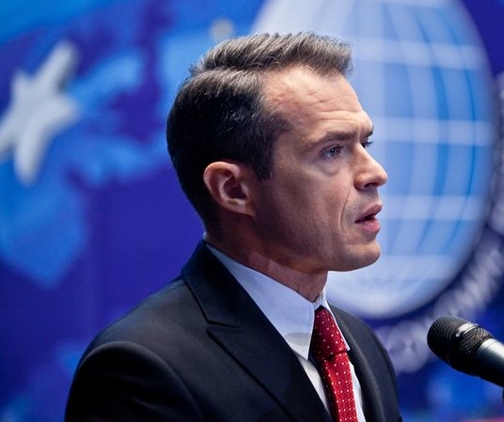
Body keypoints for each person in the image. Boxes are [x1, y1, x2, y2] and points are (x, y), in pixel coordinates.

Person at [65, 32, 401, 421]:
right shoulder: (140, 370)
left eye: (365, 145)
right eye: (332, 151)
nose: (375, 173)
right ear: (233, 189)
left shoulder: (360, 345)